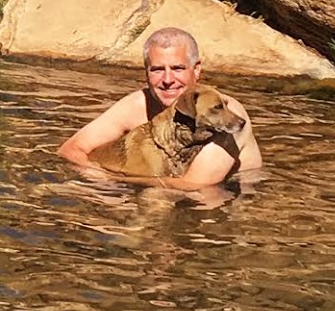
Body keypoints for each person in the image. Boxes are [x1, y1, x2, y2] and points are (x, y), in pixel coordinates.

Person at [58, 27, 261, 190]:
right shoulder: (138, 104)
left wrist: (119, 179)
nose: (167, 80)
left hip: (226, 196)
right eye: (157, 70)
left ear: (196, 69)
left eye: (177, 68)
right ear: (146, 71)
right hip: (159, 185)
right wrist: (100, 177)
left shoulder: (225, 114)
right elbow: (71, 150)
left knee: (201, 200)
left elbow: (195, 185)